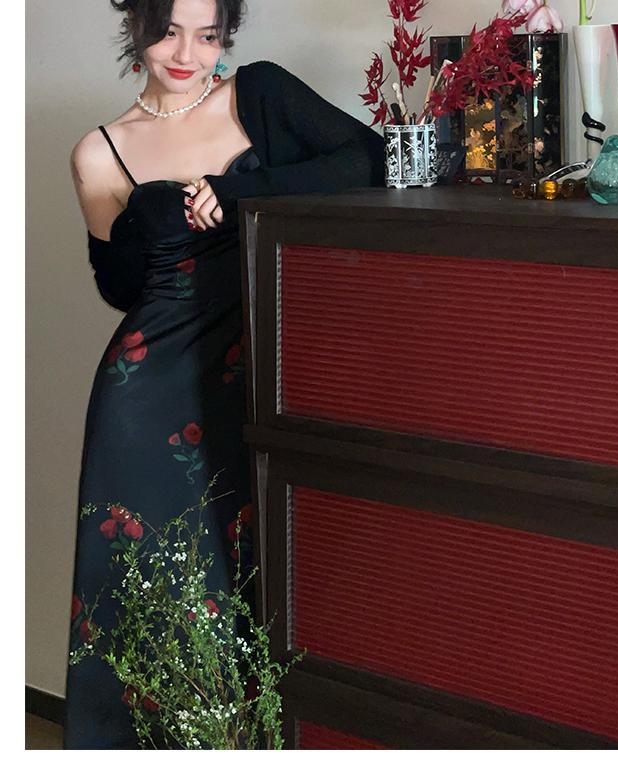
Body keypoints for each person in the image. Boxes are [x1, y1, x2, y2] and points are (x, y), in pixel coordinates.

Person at [64, 0, 384, 749]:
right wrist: (144, 218)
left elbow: (367, 159)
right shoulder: (100, 152)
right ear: (137, 28)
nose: (187, 54)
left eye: (207, 36)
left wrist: (235, 190)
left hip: (263, 380)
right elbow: (121, 289)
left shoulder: (259, 93)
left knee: (256, 586)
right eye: (168, 32)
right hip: (146, 398)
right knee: (150, 592)